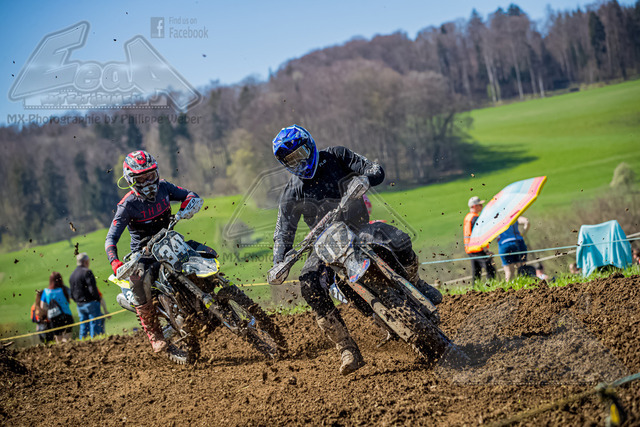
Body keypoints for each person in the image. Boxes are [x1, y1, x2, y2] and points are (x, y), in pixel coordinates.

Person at [269, 124, 441, 375]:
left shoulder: (336, 156)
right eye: (291, 160)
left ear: (310, 146)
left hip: (357, 226)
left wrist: (365, 178)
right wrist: (279, 261)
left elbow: (374, 169)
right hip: (324, 244)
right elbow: (283, 232)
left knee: (400, 240)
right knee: (308, 283)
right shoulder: (290, 193)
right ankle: (346, 347)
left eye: (301, 154)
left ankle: (417, 282)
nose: (299, 162)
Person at [105, 150, 202, 354]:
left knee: (199, 251)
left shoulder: (164, 187)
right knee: (138, 279)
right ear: (131, 180)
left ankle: (213, 295)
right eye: (142, 178)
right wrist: (115, 262)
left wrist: (187, 204)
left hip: (169, 242)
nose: (148, 181)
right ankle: (154, 334)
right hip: (144, 254)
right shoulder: (127, 205)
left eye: (150, 175)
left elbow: (189, 194)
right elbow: (110, 239)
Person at [70, 253, 109, 339]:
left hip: (79, 304)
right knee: (95, 325)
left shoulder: (72, 275)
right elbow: (92, 289)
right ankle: (95, 341)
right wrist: (97, 299)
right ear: (85, 261)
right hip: (91, 303)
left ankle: (83, 342)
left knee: (83, 326)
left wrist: (77, 300)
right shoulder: (87, 272)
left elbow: (72, 292)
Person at [463, 196, 496, 284]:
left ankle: (475, 288)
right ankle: (491, 286)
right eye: (480, 205)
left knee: (476, 272)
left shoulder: (468, 217)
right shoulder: (475, 218)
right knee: (490, 268)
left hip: (470, 249)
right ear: (474, 206)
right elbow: (479, 235)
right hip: (477, 248)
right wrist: (486, 250)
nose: (482, 206)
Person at [40, 272, 74, 344]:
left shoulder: (46, 291)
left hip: (53, 317)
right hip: (66, 315)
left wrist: (50, 309)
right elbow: (72, 296)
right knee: (67, 337)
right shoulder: (64, 289)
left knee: (58, 340)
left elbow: (42, 306)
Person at [497, 216, 530, 281]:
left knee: (508, 271)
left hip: (504, 244)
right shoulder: (513, 215)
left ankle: (509, 287)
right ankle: (524, 285)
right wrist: (523, 234)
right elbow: (527, 222)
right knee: (521, 269)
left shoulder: (496, 218)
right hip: (519, 242)